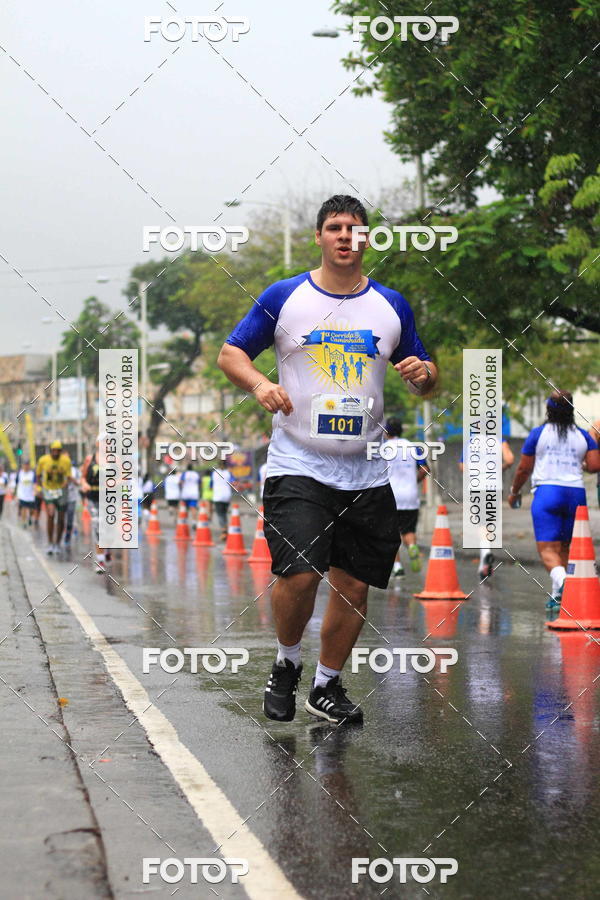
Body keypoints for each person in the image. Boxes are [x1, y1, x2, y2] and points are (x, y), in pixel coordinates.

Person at [218, 194, 437, 725]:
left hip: (366, 470)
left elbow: (426, 373)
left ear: (367, 239)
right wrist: (260, 384)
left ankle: (326, 685)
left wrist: (424, 374)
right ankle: (286, 662)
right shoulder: (285, 296)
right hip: (299, 463)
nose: (345, 236)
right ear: (319, 236)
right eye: (335, 227)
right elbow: (231, 353)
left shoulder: (391, 305)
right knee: (300, 574)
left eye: (355, 229)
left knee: (355, 584)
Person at [508, 391, 600, 608]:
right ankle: (559, 596)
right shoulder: (583, 436)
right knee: (566, 547)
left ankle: (565, 583)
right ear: (571, 410)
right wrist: (577, 463)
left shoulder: (538, 434)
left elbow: (524, 469)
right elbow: (595, 466)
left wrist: (514, 491)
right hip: (576, 495)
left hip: (547, 493)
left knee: (548, 549)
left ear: (548, 410)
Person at [459, 435, 514, 579]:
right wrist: (500, 468)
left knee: (481, 524)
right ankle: (484, 560)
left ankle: (486, 554)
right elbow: (510, 459)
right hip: (494, 487)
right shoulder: (499, 440)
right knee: (489, 523)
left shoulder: (470, 441)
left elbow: (463, 466)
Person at [380, 418, 429, 577]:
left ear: (387, 431)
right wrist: (414, 481)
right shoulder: (413, 447)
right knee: (408, 530)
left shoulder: (383, 448)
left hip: (390, 497)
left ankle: (398, 567)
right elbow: (425, 469)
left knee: (391, 534)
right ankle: (412, 546)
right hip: (410, 496)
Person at [36, 440, 71, 553]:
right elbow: (38, 475)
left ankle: (57, 543)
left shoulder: (66, 461)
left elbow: (68, 476)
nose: (56, 453)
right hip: (48, 490)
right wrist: (40, 488)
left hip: (61, 490)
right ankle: (50, 542)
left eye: (58, 451)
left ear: (61, 451)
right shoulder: (43, 460)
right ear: (50, 450)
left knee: (61, 518)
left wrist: (66, 483)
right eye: (54, 451)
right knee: (51, 514)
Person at [80, 443, 108, 573]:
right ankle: (100, 560)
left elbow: (123, 477)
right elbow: (83, 477)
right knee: (97, 526)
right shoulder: (89, 459)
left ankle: (107, 550)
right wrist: (85, 484)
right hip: (93, 498)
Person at [212, 466, 233, 540]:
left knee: (220, 514)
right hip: (227, 496)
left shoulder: (214, 473)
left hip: (218, 496)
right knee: (224, 514)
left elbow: (211, 485)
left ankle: (224, 531)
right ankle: (226, 529)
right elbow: (233, 482)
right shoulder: (228, 472)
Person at [16, 460, 36, 526]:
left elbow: (35, 483)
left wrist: (35, 491)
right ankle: (24, 522)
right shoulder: (20, 473)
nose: (26, 466)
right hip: (22, 494)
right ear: (23, 466)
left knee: (31, 510)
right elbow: (17, 483)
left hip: (31, 495)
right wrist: (16, 494)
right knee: (23, 508)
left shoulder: (32, 474)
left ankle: (30, 517)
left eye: (27, 465)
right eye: (25, 465)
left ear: (29, 466)